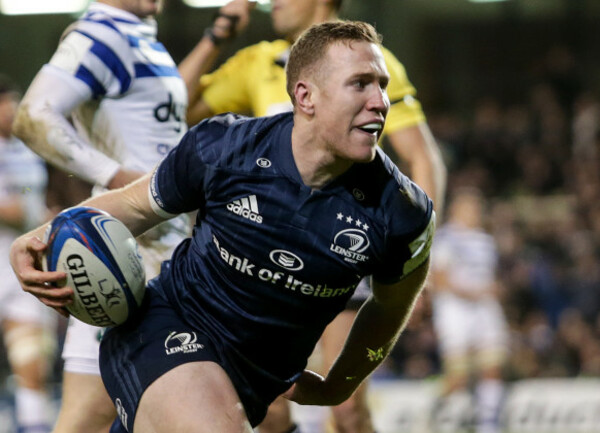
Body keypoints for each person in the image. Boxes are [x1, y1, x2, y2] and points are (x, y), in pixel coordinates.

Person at [10, 20, 435, 433]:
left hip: (251, 385)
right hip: (164, 329)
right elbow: (133, 206)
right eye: (361, 84)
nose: (381, 101)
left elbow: (387, 308)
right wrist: (40, 237)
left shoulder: (402, 213)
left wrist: (340, 385)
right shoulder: (225, 148)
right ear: (305, 97)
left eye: (381, 85)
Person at [186, 1, 447, 431]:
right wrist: (218, 34)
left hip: (344, 250)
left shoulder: (369, 64)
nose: (274, 2)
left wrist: (417, 263)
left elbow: (424, 160)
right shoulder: (258, 61)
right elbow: (177, 106)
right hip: (271, 258)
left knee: (347, 409)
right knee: (267, 410)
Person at [12, 1, 233, 432]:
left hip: (167, 248)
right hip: (124, 254)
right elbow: (33, 116)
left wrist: (215, 38)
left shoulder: (140, 37)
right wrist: (117, 176)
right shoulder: (99, 34)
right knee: (92, 419)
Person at [0, 75, 56, 433]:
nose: (13, 109)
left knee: (32, 357)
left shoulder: (25, 149)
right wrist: (39, 218)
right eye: (6, 102)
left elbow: (34, 203)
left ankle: (32, 424)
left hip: (17, 264)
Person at [427, 188, 507, 433]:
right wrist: (475, 292)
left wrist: (494, 291)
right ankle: (432, 412)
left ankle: (487, 427)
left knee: (492, 368)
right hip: (455, 310)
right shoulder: (445, 238)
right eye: (470, 207)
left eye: (477, 208)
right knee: (458, 378)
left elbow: (489, 277)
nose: (475, 213)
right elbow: (440, 280)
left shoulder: (486, 240)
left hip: (484, 309)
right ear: (456, 210)